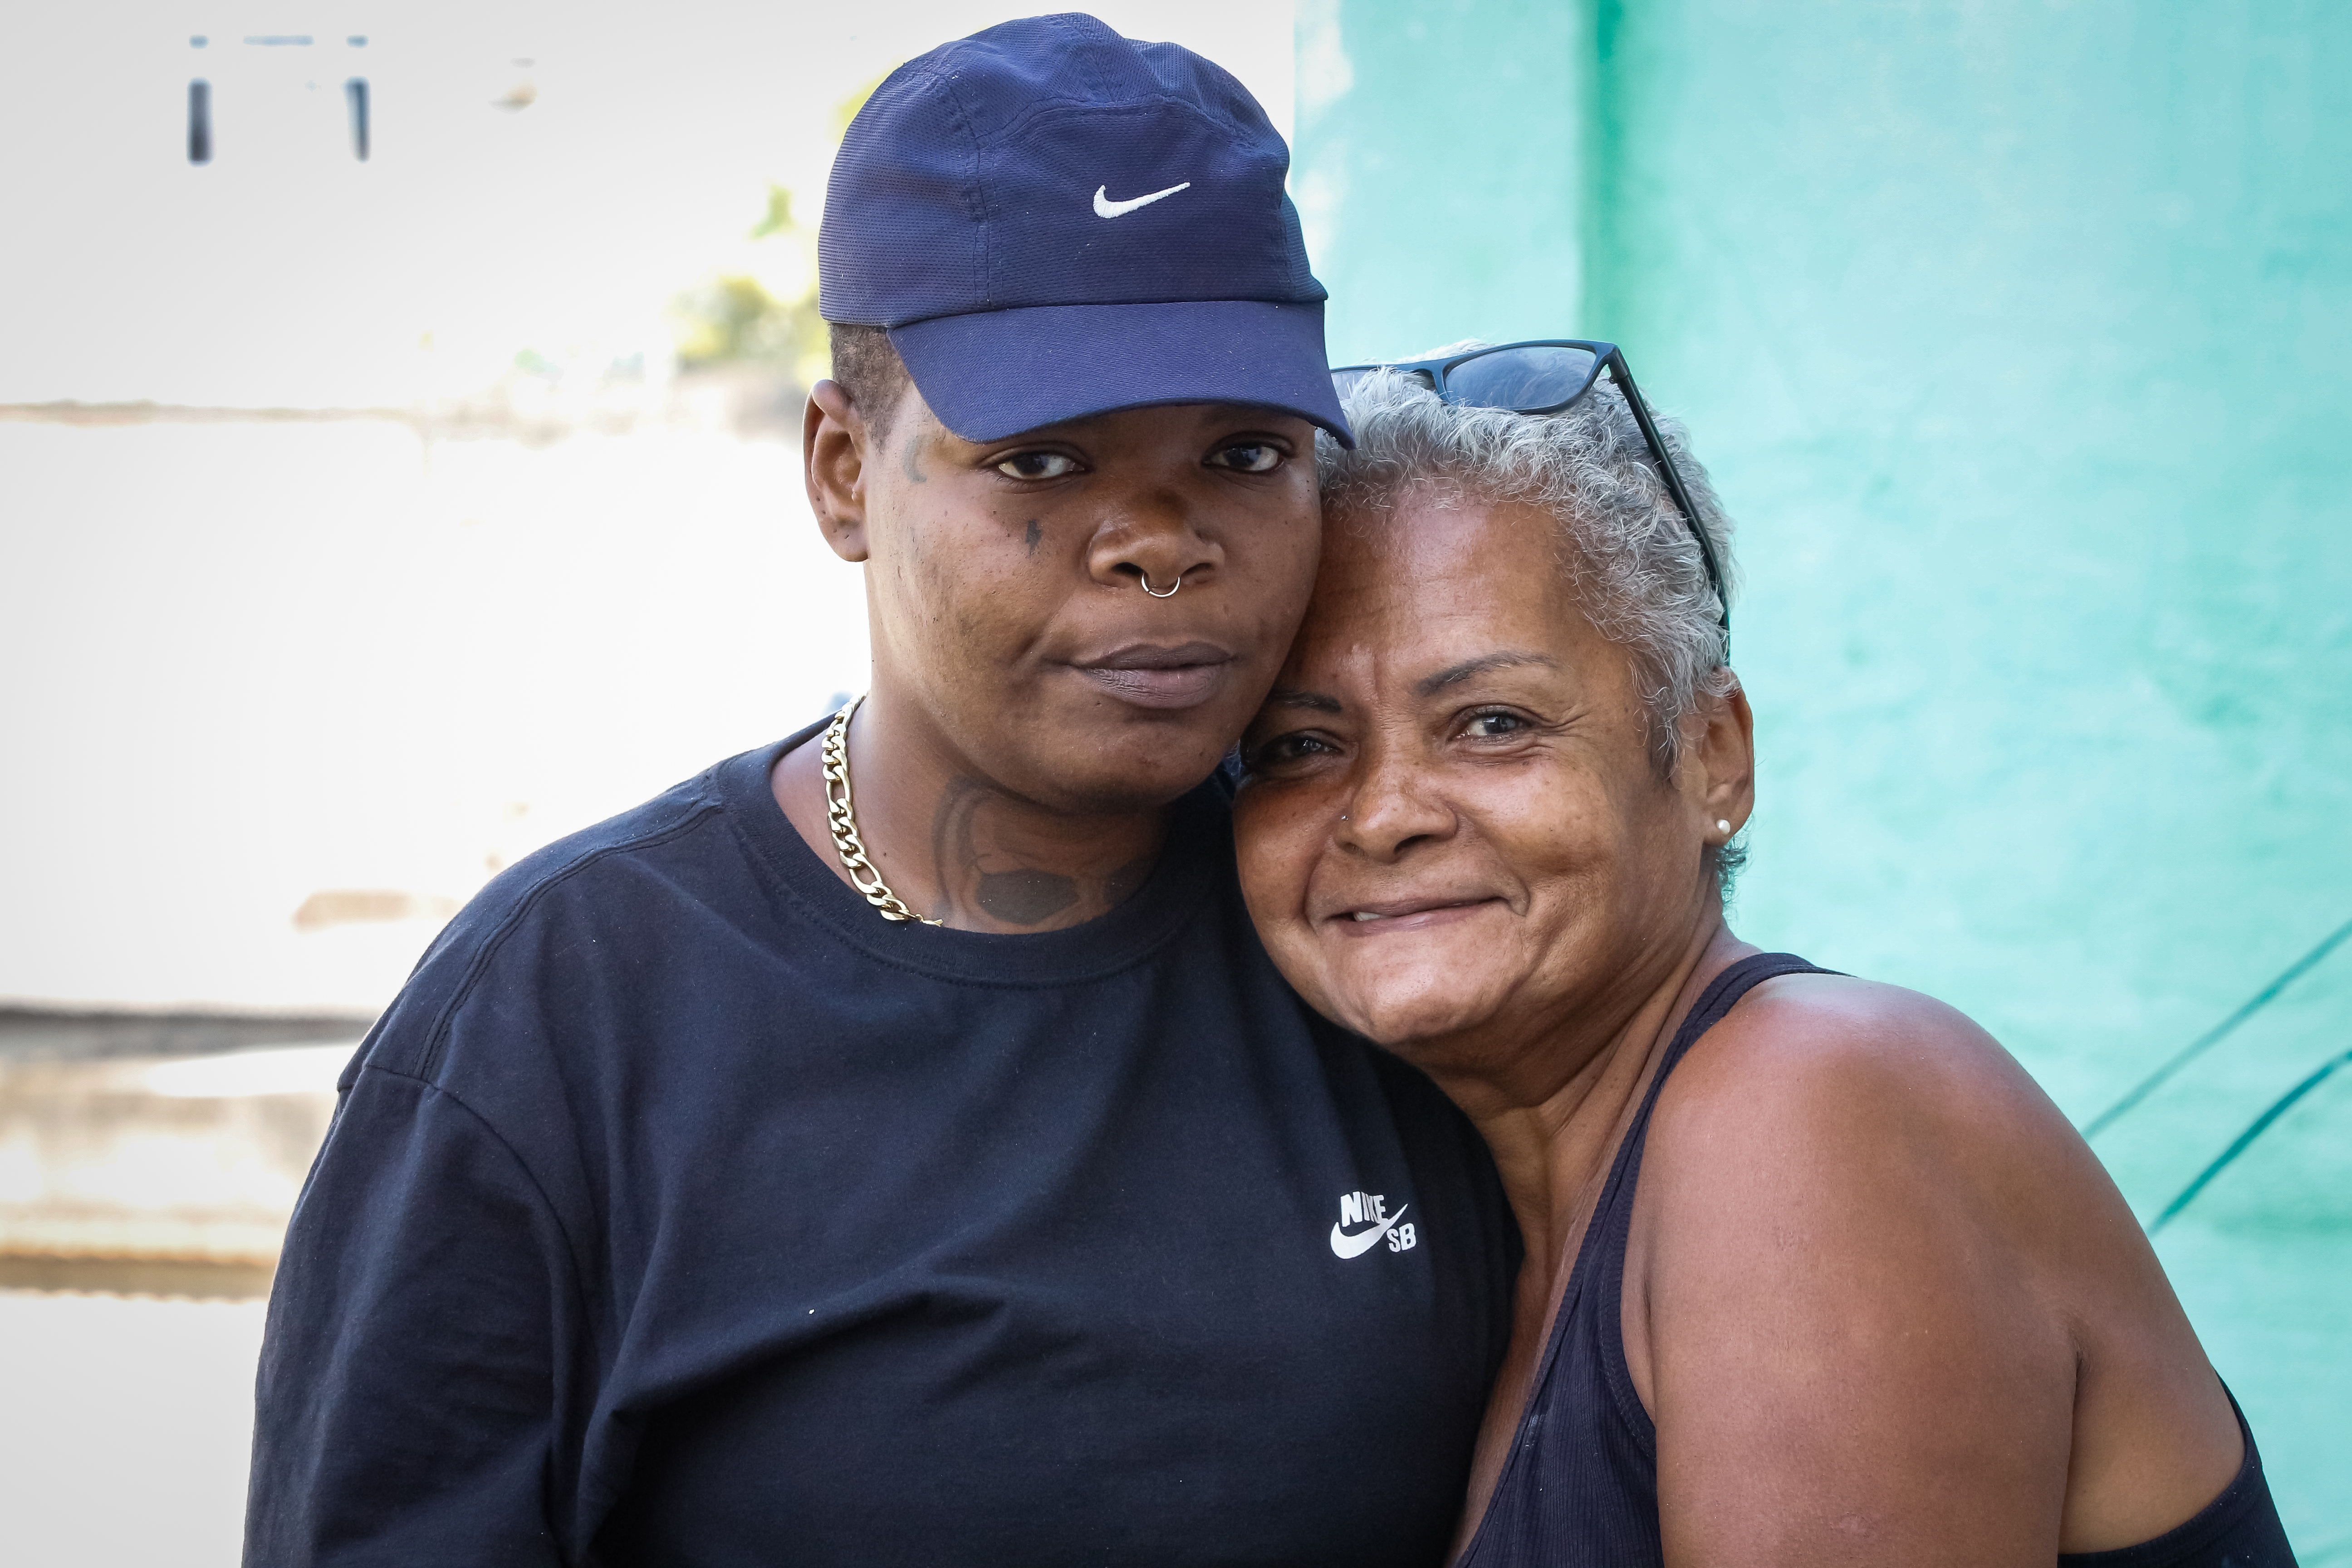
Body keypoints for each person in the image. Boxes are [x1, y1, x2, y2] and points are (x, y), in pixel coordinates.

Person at [242, 21, 1517, 1567]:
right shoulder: (561, 1021)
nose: (1160, 543)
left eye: (1246, 451)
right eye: (1043, 465)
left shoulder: (1393, 932)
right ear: (843, 472)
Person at [1230, 343, 2297, 1566]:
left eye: (1493, 723)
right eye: (1300, 748)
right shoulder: (1485, 1223)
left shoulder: (1807, 1105)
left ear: (1712, 757)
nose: (1382, 813)